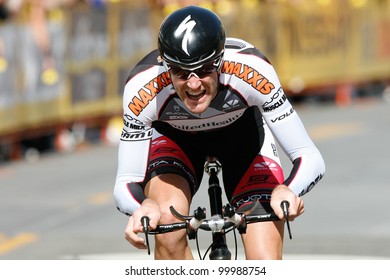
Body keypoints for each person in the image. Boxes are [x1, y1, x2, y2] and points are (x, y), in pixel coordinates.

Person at [114, 5, 325, 260]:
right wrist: (143, 206)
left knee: (264, 259)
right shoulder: (142, 87)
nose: (193, 84)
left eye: (204, 70)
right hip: (176, 140)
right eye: (180, 72)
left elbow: (309, 156)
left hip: (242, 137)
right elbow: (126, 181)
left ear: (220, 61)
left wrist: (288, 189)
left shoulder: (252, 70)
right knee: (167, 225)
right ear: (165, 65)